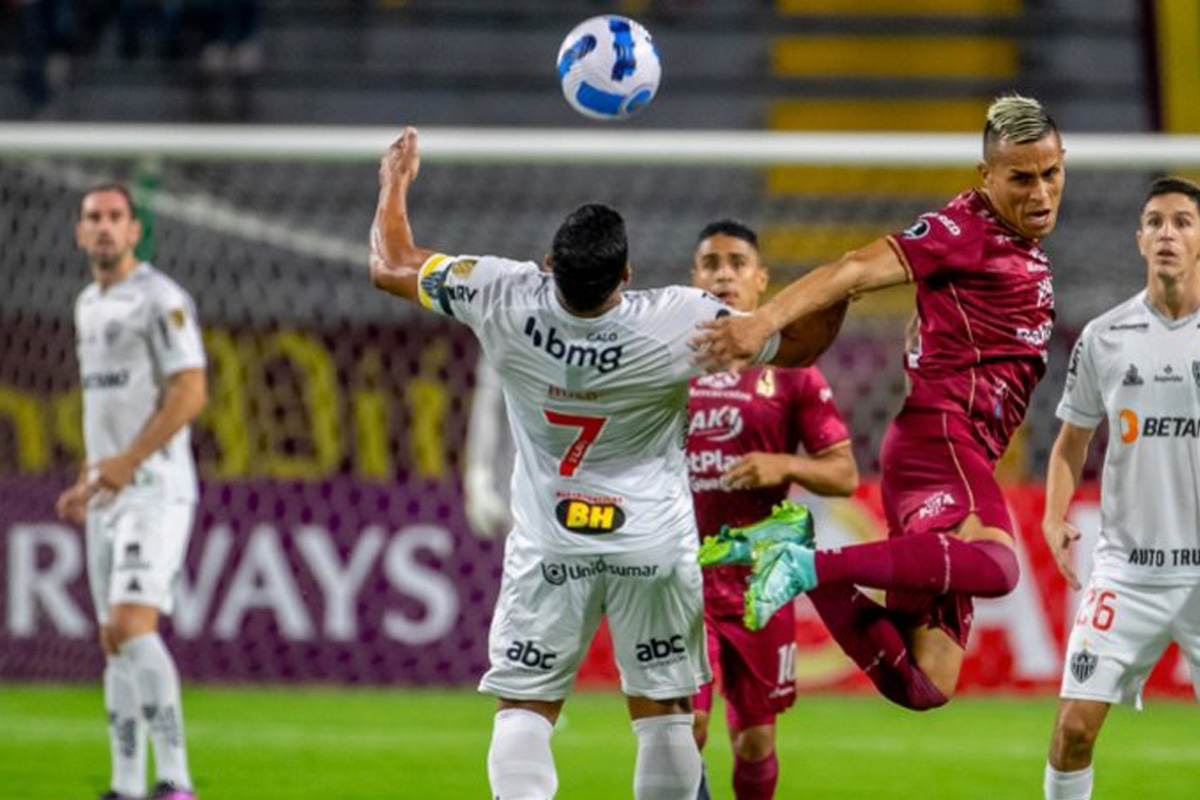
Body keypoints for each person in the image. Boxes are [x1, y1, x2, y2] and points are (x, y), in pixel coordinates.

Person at [368, 126, 843, 800]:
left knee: (526, 709)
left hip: (549, 538)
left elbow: (389, 263)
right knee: (665, 717)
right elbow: (799, 346)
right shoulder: (680, 319)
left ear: (548, 264)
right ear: (626, 275)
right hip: (651, 543)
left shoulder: (502, 294)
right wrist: (844, 282)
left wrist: (394, 180)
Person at [695, 93, 1065, 711]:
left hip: (940, 452)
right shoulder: (964, 229)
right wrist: (761, 324)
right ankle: (813, 566)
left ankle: (798, 555)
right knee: (999, 567)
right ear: (986, 176)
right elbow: (851, 268)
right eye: (1021, 178)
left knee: (925, 685)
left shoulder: (1016, 243)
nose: (1041, 193)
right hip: (942, 443)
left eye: (1051, 173)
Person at [685, 220, 858, 800]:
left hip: (761, 582)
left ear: (761, 282)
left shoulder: (793, 373)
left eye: (737, 263)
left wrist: (784, 466)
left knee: (754, 742)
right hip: (681, 576)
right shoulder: (669, 365)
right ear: (694, 279)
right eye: (711, 263)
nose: (723, 274)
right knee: (687, 726)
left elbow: (844, 475)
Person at [1040, 177, 1200, 800]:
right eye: (1155, 222)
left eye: (1182, 222)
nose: (1167, 233)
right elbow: (1068, 446)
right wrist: (1054, 516)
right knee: (1073, 729)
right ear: (1139, 239)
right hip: (1126, 573)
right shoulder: (1104, 338)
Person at [55, 185, 207, 800]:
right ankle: (124, 784)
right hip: (109, 491)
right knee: (112, 639)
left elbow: (191, 391)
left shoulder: (161, 299)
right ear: (78, 231)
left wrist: (127, 462)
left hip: (155, 488)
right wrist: (94, 476)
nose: (104, 228)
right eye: (94, 218)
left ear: (134, 230)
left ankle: (174, 781)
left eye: (116, 217)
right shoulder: (88, 303)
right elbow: (108, 411)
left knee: (131, 625)